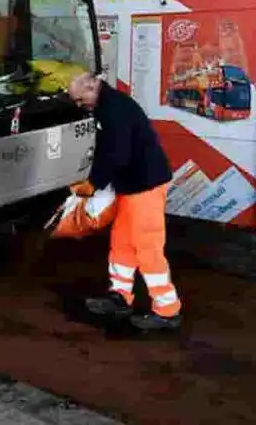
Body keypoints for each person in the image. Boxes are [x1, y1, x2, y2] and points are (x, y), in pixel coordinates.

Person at [67, 72, 182, 332]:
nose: (79, 105)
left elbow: (116, 154)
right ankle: (119, 296)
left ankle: (167, 310)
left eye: (80, 99)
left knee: (147, 246)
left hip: (146, 185)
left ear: (93, 86)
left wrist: (93, 184)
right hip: (131, 185)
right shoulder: (105, 106)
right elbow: (109, 151)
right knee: (122, 242)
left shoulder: (114, 109)